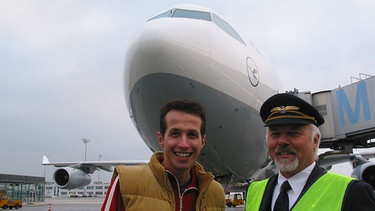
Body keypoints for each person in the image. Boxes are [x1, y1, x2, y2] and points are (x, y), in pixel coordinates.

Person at [246, 93, 375, 211]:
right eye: (275, 134)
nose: (282, 142)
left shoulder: (353, 192)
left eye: (293, 133)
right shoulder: (254, 191)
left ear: (315, 140)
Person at [101, 99, 226, 211]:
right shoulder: (126, 183)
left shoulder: (215, 193)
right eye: (175, 133)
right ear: (161, 139)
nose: (183, 144)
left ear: (202, 141)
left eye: (192, 135)